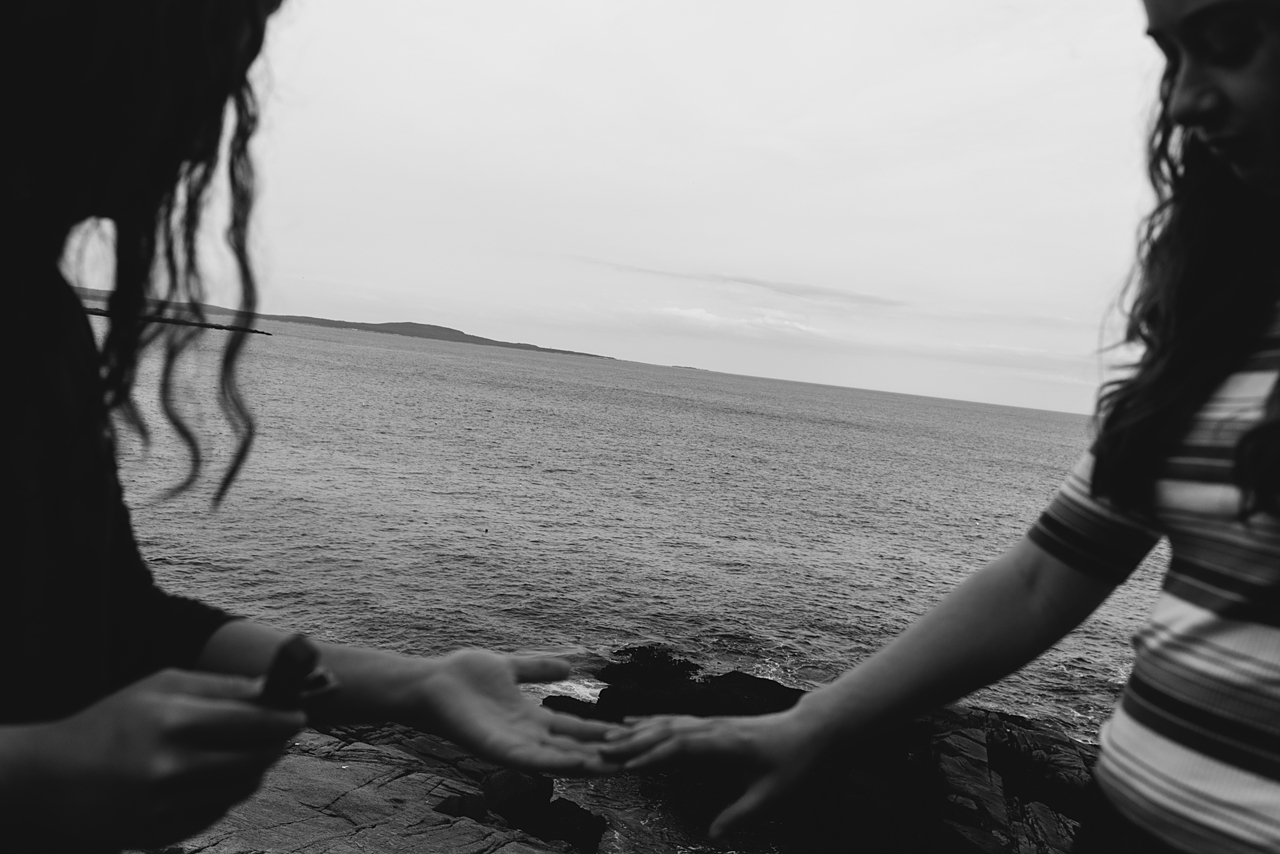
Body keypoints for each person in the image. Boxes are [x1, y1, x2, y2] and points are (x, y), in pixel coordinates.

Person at [604, 1, 1280, 852]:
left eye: (1224, 46)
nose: (1183, 102)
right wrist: (817, 720)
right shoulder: (1223, 321)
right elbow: (1044, 578)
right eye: (1170, 57)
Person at [2, 3, 613, 851]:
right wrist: (38, 770)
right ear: (81, 54)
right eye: (203, 82)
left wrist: (416, 686)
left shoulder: (39, 318)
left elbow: (115, 617)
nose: (199, 142)